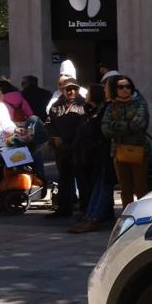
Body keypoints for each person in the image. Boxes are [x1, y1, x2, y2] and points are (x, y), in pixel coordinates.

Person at [70, 79, 116, 234]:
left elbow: (101, 131)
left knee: (105, 185)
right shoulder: (94, 110)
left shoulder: (107, 108)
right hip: (96, 153)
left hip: (107, 151)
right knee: (99, 184)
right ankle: (90, 215)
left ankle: (95, 217)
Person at [102, 74, 151, 206]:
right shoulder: (111, 106)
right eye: (121, 87)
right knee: (125, 188)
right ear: (115, 89)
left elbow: (139, 124)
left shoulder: (140, 103)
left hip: (139, 150)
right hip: (118, 151)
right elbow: (105, 129)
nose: (125, 89)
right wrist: (127, 126)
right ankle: (127, 217)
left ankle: (143, 214)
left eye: (128, 86)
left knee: (141, 187)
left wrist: (116, 125)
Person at [44, 78, 89, 218]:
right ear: (62, 90)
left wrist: (71, 139)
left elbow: (84, 125)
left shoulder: (84, 105)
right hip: (61, 149)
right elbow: (48, 123)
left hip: (78, 148)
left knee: (82, 180)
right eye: (68, 89)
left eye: (74, 88)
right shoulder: (56, 106)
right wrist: (55, 137)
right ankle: (63, 208)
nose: (71, 91)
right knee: (64, 179)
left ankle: (85, 209)